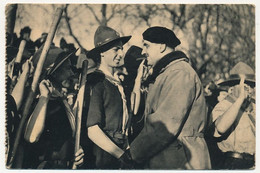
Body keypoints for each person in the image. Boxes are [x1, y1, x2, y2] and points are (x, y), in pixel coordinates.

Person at [120, 26, 211, 169]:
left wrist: (133, 154)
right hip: (173, 157)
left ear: (162, 46)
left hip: (182, 160)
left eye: (147, 45)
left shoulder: (179, 73)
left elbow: (166, 125)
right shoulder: (167, 73)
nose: (143, 51)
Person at [24, 47, 83, 169]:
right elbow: (31, 137)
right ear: (53, 73)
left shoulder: (61, 102)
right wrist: (44, 96)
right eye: (67, 68)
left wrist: (77, 153)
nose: (71, 73)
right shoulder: (39, 104)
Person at [85, 26, 132, 169]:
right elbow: (92, 130)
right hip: (102, 156)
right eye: (115, 50)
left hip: (120, 155)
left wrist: (127, 150)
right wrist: (121, 155)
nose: (121, 53)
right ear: (102, 53)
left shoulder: (117, 83)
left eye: (121, 48)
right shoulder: (96, 82)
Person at [211, 62, 255, 169]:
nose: (248, 89)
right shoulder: (224, 105)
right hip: (232, 163)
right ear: (231, 88)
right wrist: (239, 100)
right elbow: (221, 128)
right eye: (244, 85)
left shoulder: (254, 106)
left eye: (251, 85)